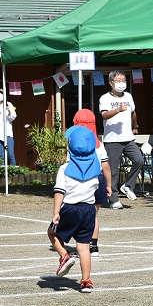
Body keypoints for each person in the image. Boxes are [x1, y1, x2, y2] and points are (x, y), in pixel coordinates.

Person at [47, 126, 101, 293]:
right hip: (88, 210)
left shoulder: (65, 169)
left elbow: (59, 191)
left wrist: (56, 212)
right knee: (84, 247)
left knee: (52, 233)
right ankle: (86, 281)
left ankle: (64, 255)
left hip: (70, 209)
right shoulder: (96, 168)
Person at [100, 70, 144, 209]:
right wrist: (118, 109)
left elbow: (133, 112)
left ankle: (127, 185)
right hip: (112, 140)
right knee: (113, 171)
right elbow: (104, 115)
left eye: (123, 80)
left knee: (139, 160)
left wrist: (135, 126)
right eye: (118, 80)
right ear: (111, 83)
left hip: (128, 138)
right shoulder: (105, 98)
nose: (122, 83)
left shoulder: (129, 96)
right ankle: (113, 200)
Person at [73, 109, 112, 257]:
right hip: (98, 179)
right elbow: (106, 166)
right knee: (94, 214)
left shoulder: (74, 143)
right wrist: (109, 185)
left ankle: (82, 245)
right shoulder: (99, 145)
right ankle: (93, 245)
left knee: (80, 214)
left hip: (80, 180)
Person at [0, 88, 17, 166]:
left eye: (1, 93)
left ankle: (13, 173)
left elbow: (13, 117)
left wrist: (9, 111)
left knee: (10, 154)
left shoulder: (9, 104)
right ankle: (2, 174)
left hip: (8, 133)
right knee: (0, 156)